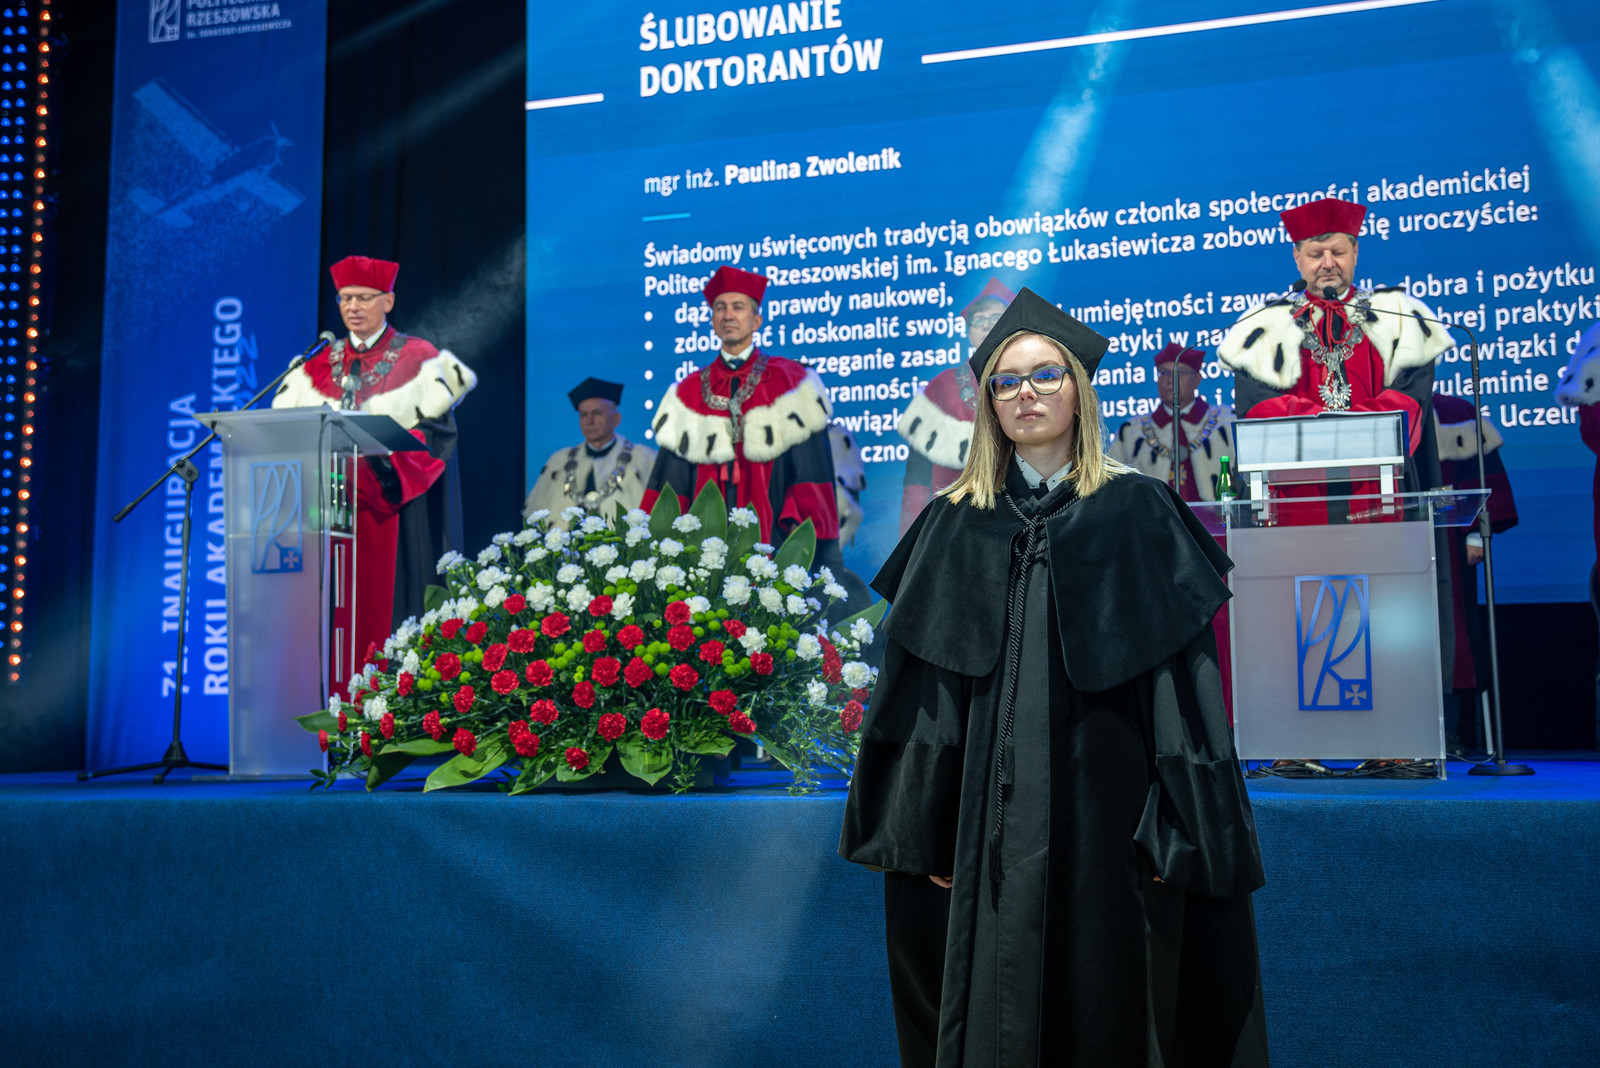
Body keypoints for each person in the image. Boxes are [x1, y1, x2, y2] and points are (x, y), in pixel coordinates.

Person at [840, 287, 1269, 1067]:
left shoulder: (1139, 512)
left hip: (1113, 821)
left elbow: (1183, 692)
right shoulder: (952, 522)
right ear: (988, 404)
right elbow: (922, 700)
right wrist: (928, 823)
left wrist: (1176, 824)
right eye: (1006, 381)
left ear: (1079, 390)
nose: (1025, 393)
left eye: (1045, 375)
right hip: (985, 824)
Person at [272, 254, 476, 664]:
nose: (353, 307)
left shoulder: (419, 358)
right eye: (345, 298)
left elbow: (434, 437)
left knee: (390, 625)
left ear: (388, 301)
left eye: (364, 298)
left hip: (393, 512)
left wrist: (379, 467)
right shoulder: (315, 364)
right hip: (326, 516)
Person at [644, 265, 843, 574]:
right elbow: (672, 484)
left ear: (756, 320)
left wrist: (807, 544)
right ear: (712, 321)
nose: (728, 315)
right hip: (703, 553)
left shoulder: (791, 382)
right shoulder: (687, 393)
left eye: (738, 307)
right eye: (720, 308)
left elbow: (810, 473)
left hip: (775, 539)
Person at [1110, 341, 1238, 716]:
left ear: (1197, 378)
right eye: (1163, 374)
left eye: (1179, 374)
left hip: (1217, 546)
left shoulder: (1228, 423)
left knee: (1221, 629)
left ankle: (1226, 715)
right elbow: (1112, 492)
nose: (1170, 381)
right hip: (1155, 549)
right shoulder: (1132, 432)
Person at [1433, 394, 1518, 755]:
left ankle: (1446, 732)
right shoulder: (1368, 410)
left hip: (1448, 544)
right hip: (1387, 542)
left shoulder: (1456, 412)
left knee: (1451, 633)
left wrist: (1474, 535)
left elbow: (1483, 476)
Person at [897, 278, 1014, 535]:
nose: (987, 325)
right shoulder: (941, 386)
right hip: (955, 526)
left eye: (996, 318)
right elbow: (917, 479)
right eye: (979, 320)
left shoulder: (1032, 382)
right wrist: (913, 537)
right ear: (968, 332)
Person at [524, 377, 656, 525]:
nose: (589, 421)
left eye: (597, 413)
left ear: (616, 419)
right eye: (583, 415)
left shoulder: (643, 459)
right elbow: (534, 518)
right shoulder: (559, 461)